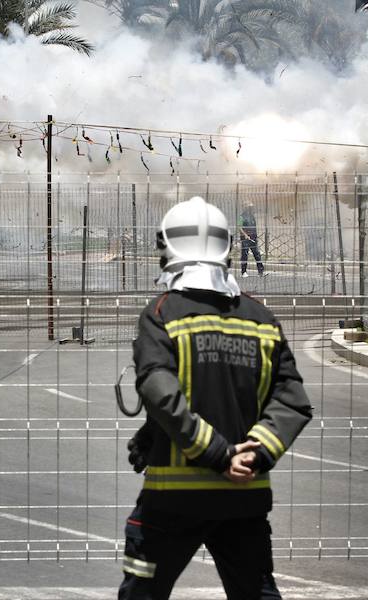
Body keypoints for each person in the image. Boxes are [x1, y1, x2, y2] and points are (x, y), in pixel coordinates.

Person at [120, 196, 312, 600]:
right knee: (256, 593)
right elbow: (291, 400)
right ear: (227, 246)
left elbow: (162, 393)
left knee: (141, 592)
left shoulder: (163, 312)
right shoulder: (261, 318)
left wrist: (219, 455)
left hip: (172, 501)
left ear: (167, 248)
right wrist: (255, 454)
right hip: (245, 498)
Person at [238, 201, 265, 277]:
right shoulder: (241, 217)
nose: (251, 208)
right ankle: (244, 272)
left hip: (253, 238)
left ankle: (261, 271)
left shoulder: (252, 216)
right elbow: (239, 227)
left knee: (257, 254)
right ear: (245, 208)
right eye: (249, 207)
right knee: (244, 255)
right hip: (245, 239)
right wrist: (245, 235)